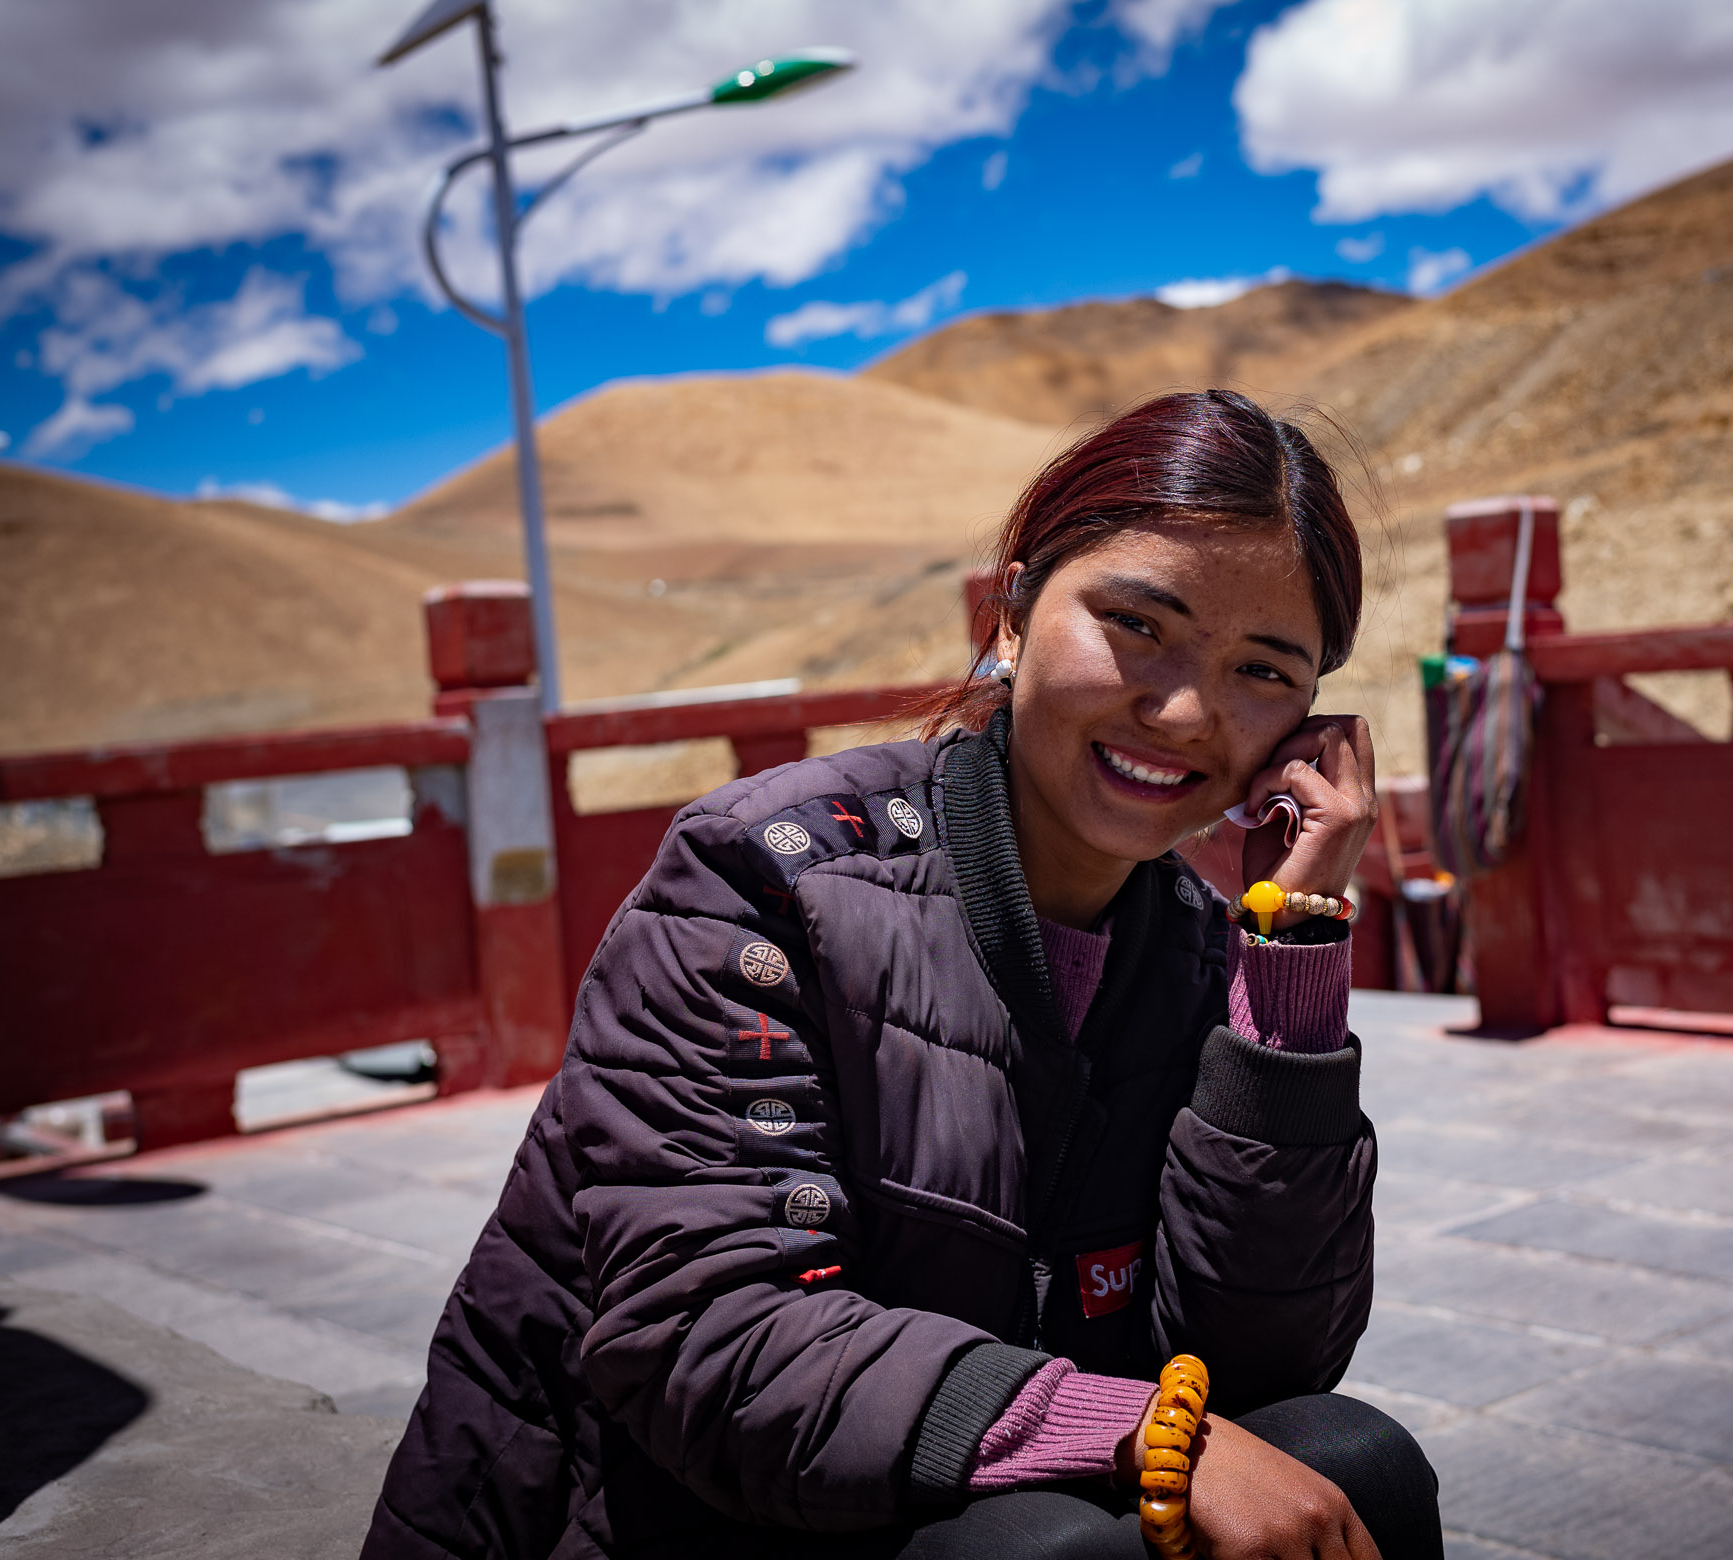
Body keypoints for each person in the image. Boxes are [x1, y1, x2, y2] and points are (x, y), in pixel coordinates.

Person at [362, 390, 1441, 1559]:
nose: (1185, 710)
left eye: (1263, 670)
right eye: (1139, 624)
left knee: (1351, 1462)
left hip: (979, 1503)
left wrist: (1291, 949)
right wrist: (1140, 1431)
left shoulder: (1188, 943)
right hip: (684, 1515)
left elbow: (1262, 1369)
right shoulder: (765, 885)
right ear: (1015, 615)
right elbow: (709, 1340)